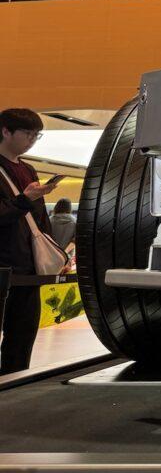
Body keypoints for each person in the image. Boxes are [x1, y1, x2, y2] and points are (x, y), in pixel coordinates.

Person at [0, 108, 58, 374]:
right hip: (3, 264)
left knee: (22, 337)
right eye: (28, 133)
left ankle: (13, 385)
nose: (32, 140)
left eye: (37, 135)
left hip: (29, 266)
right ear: (6, 131)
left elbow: (40, 218)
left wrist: (54, 250)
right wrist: (25, 199)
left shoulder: (29, 169)